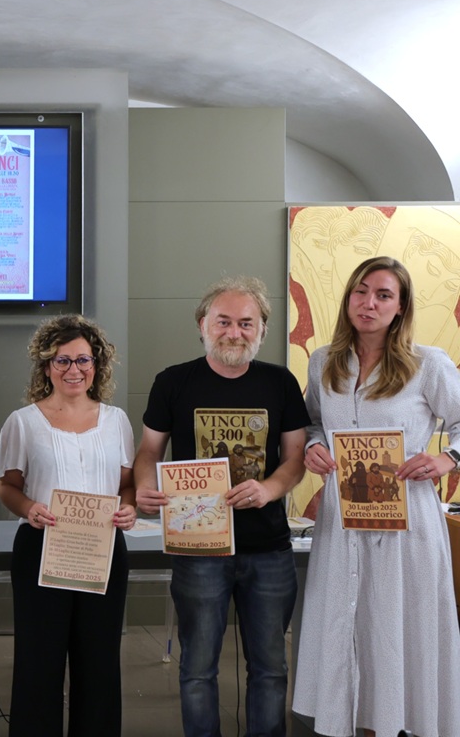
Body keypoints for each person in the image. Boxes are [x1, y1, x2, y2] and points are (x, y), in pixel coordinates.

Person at [292, 256, 460, 737]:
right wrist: (316, 444)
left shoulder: (429, 365)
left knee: (394, 627)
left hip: (406, 523)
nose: (369, 303)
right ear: (347, 298)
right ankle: (356, 725)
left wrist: (447, 460)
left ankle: (400, 725)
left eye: (383, 295)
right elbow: (312, 420)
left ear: (401, 306)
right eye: (361, 292)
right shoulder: (325, 360)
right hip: (342, 518)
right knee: (348, 624)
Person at [134, 275, 309, 737]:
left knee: (271, 669)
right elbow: (149, 452)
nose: (235, 332)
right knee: (197, 670)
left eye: (246, 323)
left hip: (268, 548)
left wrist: (270, 488)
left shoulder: (282, 383)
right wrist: (144, 487)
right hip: (198, 548)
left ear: (263, 330)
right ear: (202, 324)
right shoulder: (173, 382)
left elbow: (294, 459)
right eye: (224, 321)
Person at [0, 314, 136, 736]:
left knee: (99, 663)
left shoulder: (117, 421)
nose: (74, 370)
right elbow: (7, 487)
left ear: (97, 365)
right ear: (45, 367)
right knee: (40, 664)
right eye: (62, 361)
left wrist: (127, 509)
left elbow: (127, 485)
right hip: (42, 549)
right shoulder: (23, 422)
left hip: (103, 551)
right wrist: (29, 507)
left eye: (83, 360)